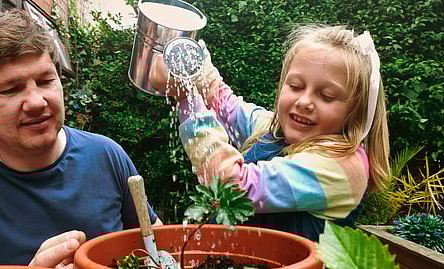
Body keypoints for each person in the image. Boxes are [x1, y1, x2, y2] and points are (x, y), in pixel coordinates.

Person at [151, 25, 390, 241]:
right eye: (295, 86)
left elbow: (233, 189)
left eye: (326, 96)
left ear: (355, 112)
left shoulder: (342, 166)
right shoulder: (274, 129)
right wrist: (191, 59)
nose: (305, 101)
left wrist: (185, 98)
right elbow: (224, 103)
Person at [0, 9, 162, 266]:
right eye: (11, 89)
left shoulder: (107, 156)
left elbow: (156, 246)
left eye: (45, 81)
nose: (36, 102)